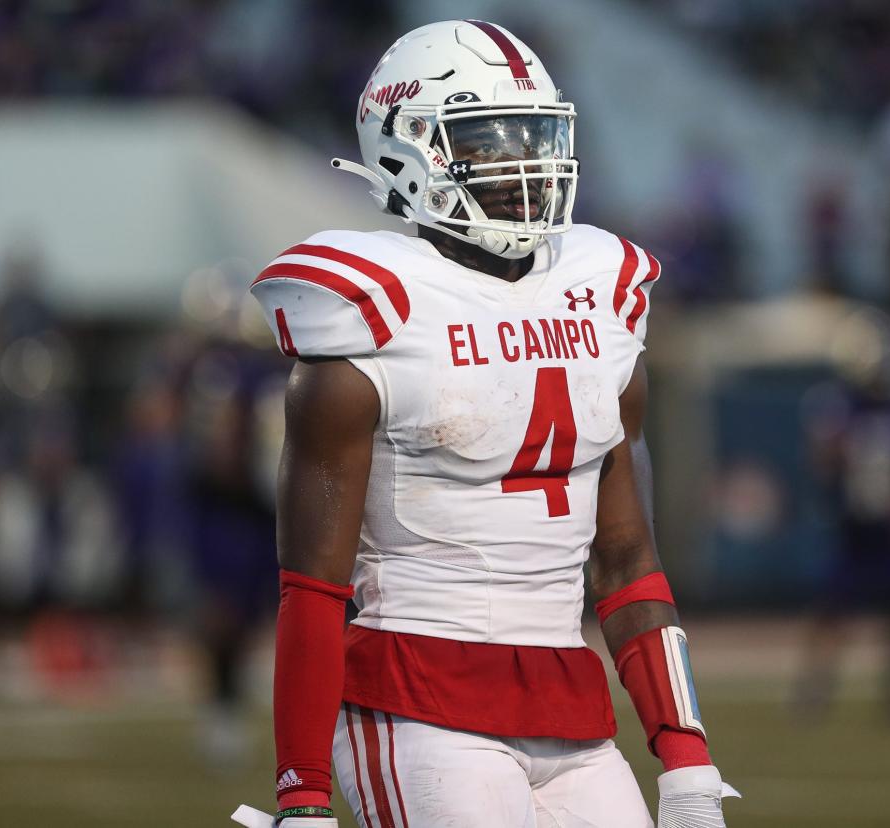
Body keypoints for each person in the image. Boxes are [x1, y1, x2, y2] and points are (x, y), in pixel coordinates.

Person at [231, 20, 736, 828]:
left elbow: (627, 561)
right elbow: (313, 591)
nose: (522, 165)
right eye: (487, 143)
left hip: (570, 710)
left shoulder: (598, 293)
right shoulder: (375, 314)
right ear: (407, 151)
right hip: (415, 698)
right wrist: (301, 794)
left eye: (534, 137)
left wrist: (686, 758)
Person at [794, 307, 890, 723]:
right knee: (832, 613)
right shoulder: (841, 407)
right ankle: (814, 692)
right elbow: (822, 460)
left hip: (889, 528)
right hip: (853, 529)